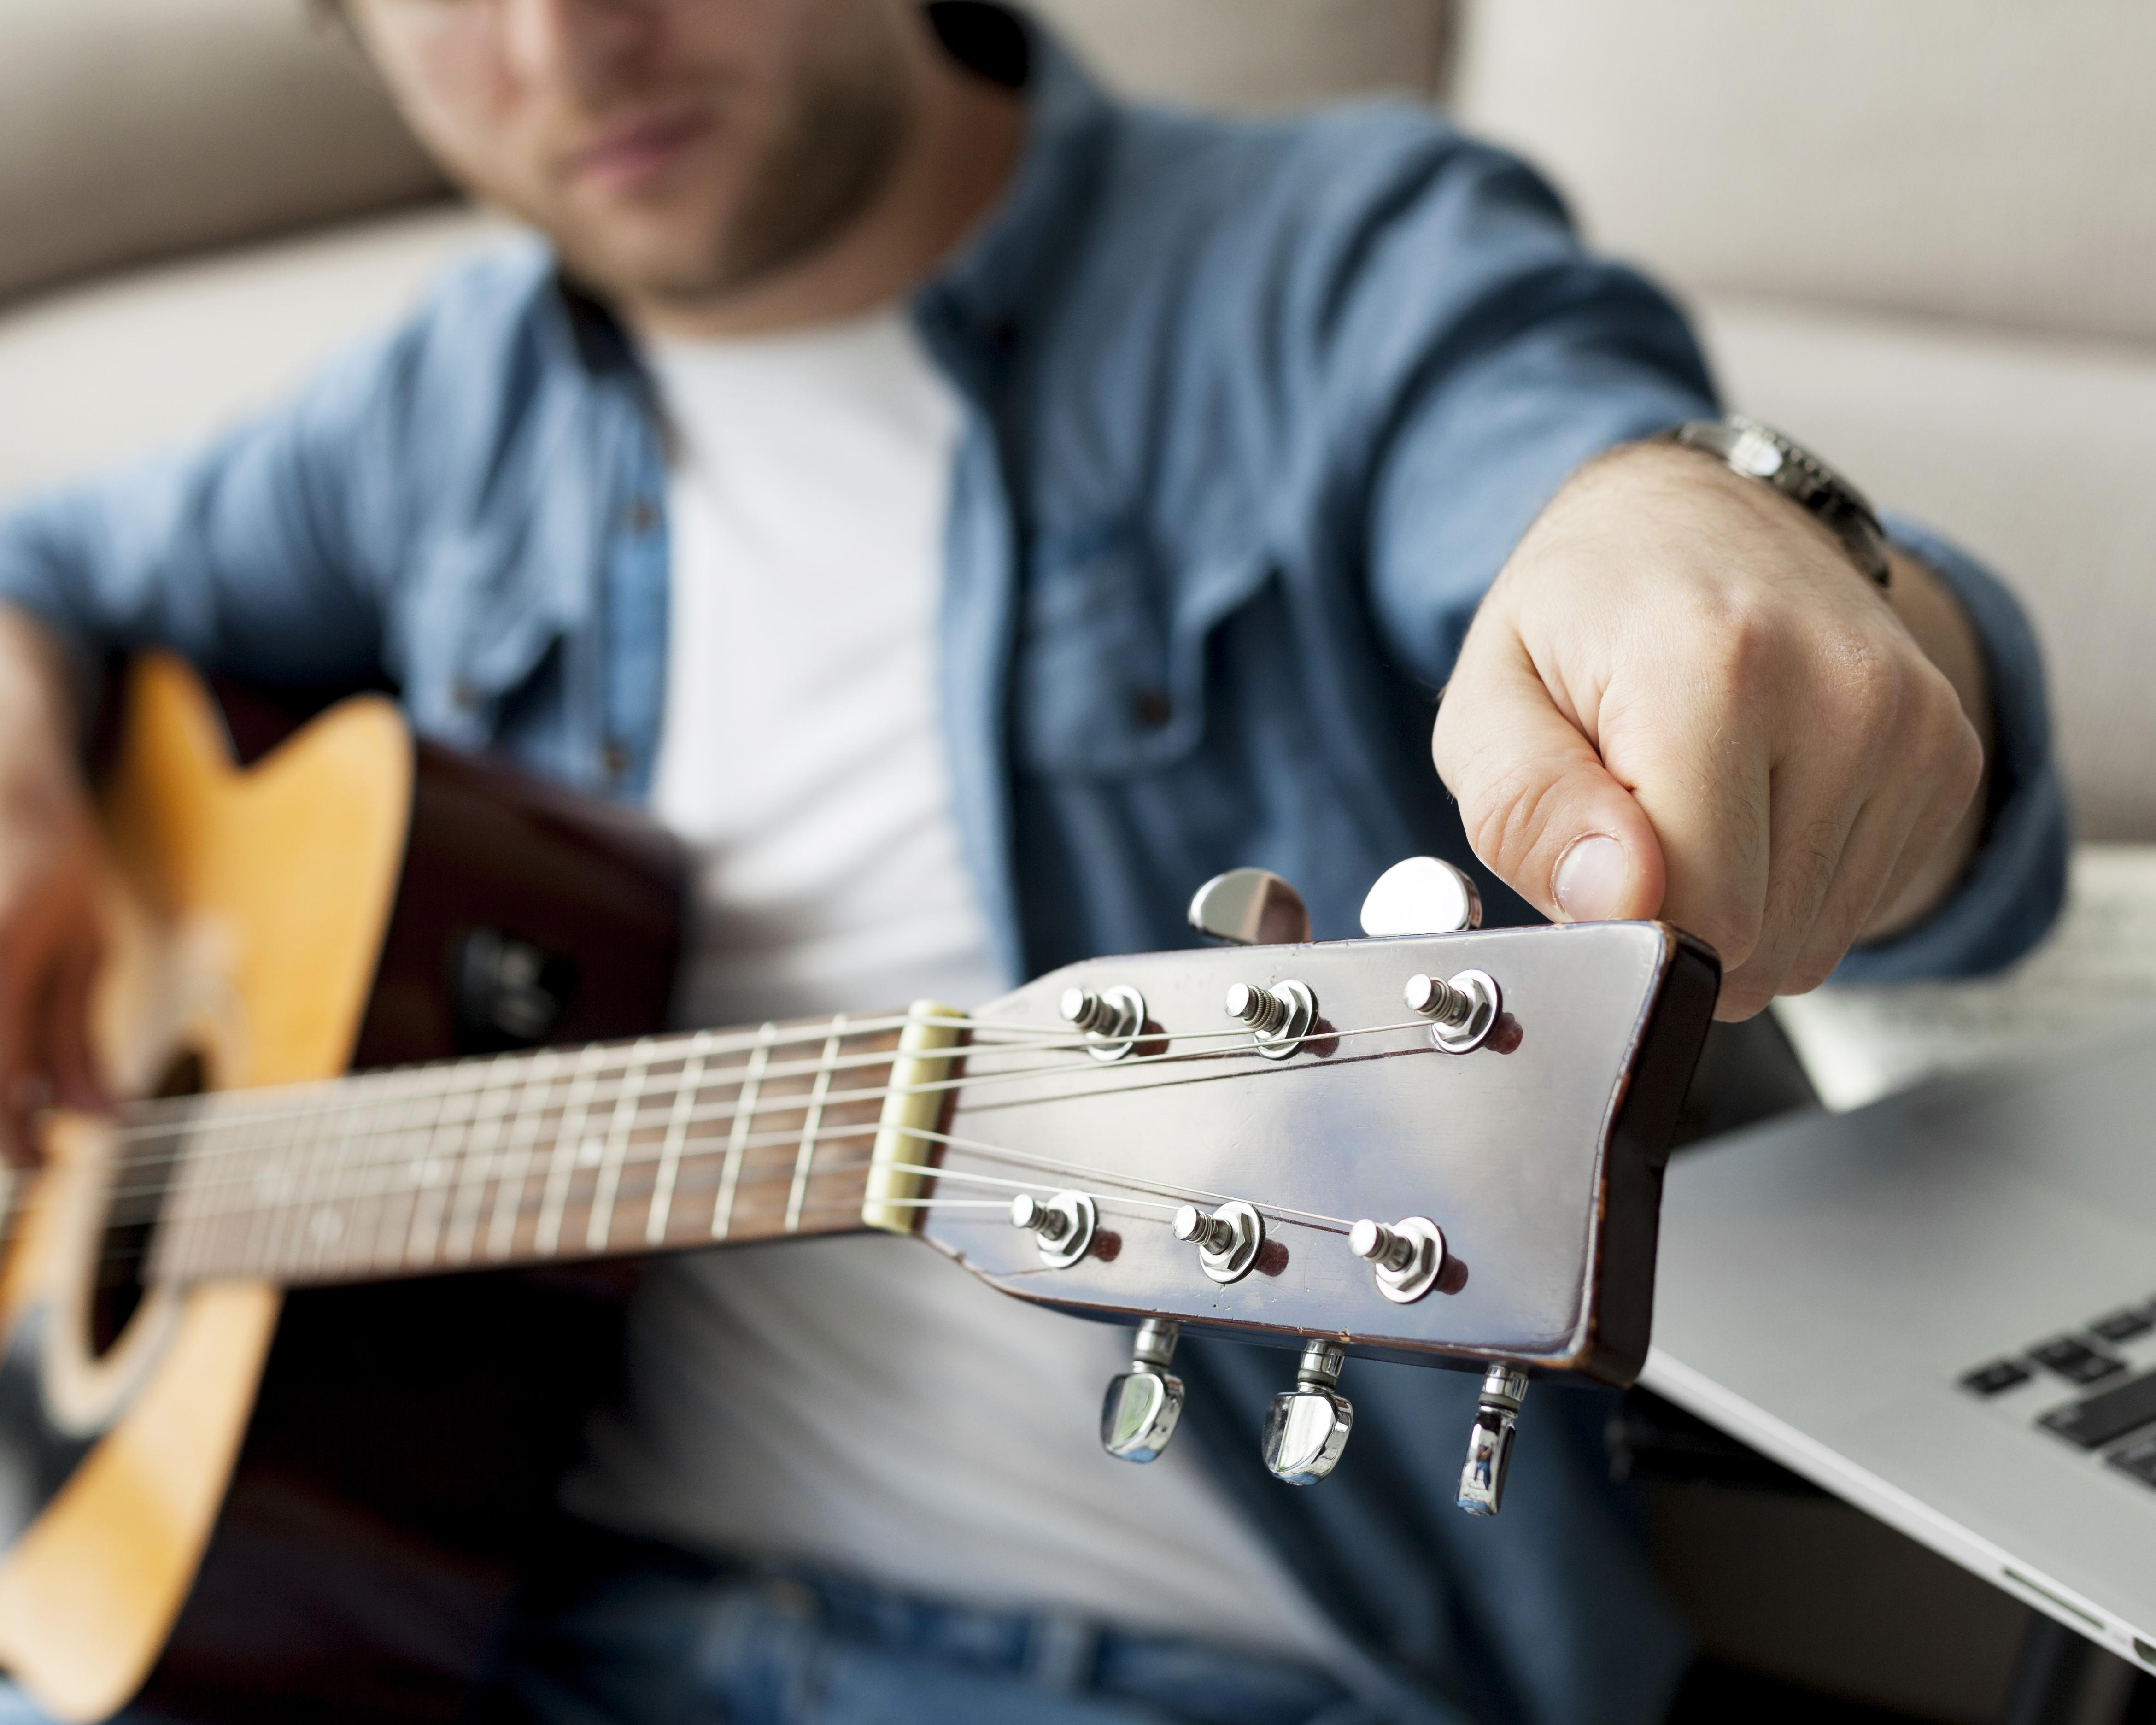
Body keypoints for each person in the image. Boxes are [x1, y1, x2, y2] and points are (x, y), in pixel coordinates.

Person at [0, 2, 2065, 1721]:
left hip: (1189, 1675)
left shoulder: (1339, 260)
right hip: (474, 1623)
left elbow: (1673, 569)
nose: (569, 44)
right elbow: (34, 574)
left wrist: (1742, 558)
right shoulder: (449, 406)